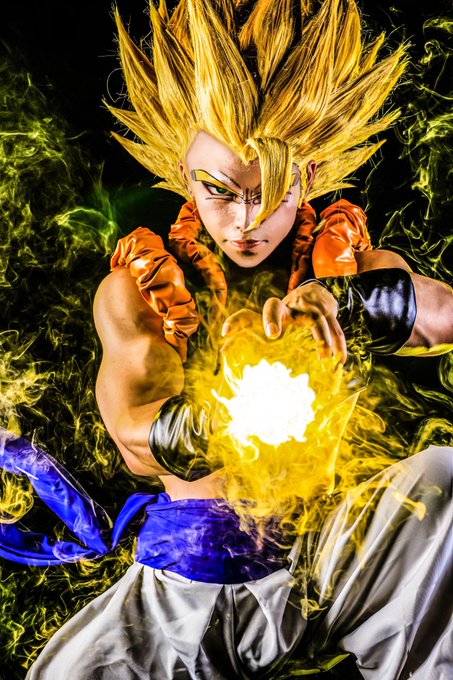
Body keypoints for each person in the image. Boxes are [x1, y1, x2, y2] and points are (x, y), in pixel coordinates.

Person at [1, 0, 452, 678]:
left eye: (268, 195)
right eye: (220, 192)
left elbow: (444, 316)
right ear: (184, 177)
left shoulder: (349, 265)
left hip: (328, 558)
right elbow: (132, 439)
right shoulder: (139, 288)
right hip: (194, 571)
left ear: (307, 179)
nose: (245, 221)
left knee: (443, 481)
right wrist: (213, 421)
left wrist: (351, 304)